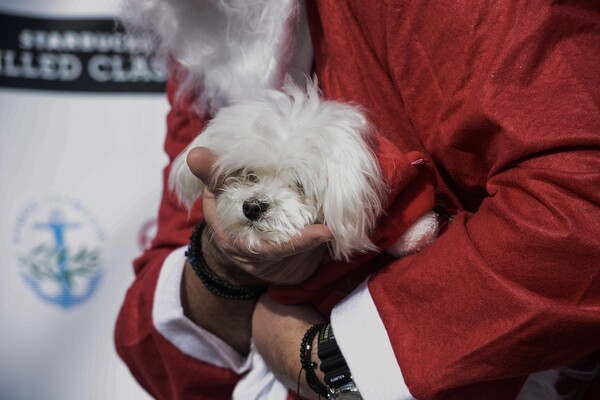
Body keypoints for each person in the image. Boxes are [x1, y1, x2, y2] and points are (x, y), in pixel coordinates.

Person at [115, 0, 600, 399]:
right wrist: (226, 264)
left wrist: (326, 358)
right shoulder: (196, 28)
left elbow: (580, 209)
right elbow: (153, 350)